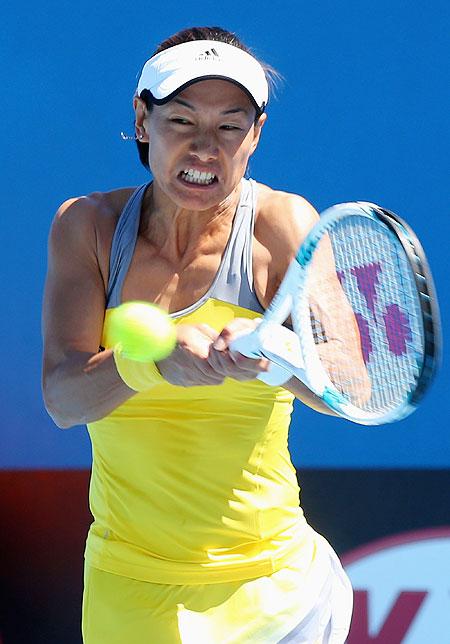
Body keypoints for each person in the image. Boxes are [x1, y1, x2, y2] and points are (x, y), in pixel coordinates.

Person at [42, 26, 358, 643]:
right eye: (181, 121)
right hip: (129, 592)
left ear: (255, 135)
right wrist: (153, 361)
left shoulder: (281, 224)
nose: (204, 149)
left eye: (229, 127)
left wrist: (274, 354)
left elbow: (351, 384)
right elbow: (63, 399)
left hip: (276, 592)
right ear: (142, 119)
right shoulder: (89, 228)